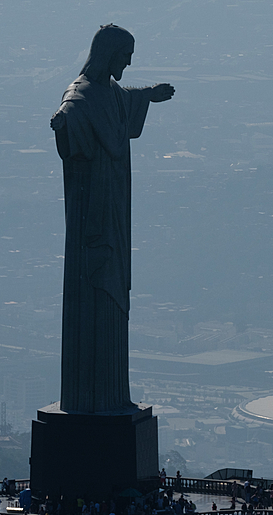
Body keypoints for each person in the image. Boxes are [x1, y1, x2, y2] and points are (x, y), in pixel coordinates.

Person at [51, 23, 174, 413]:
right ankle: (90, 400)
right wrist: (63, 127)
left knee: (114, 293)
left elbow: (122, 100)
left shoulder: (108, 93)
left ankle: (112, 395)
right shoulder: (80, 98)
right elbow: (71, 122)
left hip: (115, 209)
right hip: (94, 218)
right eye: (125, 55)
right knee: (93, 292)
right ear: (109, 54)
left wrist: (149, 96)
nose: (129, 62)